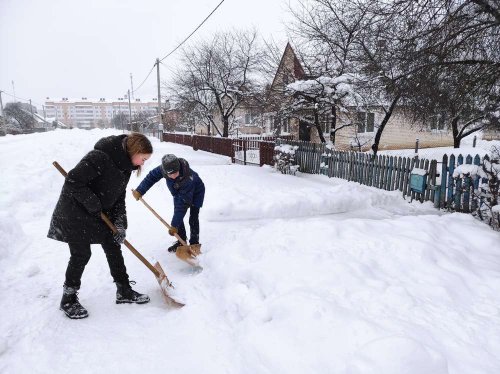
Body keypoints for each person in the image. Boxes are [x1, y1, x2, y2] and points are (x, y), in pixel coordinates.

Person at [48, 133, 153, 319]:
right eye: (143, 158)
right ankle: (68, 298)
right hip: (75, 211)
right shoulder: (100, 157)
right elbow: (73, 181)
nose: (142, 163)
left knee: (113, 245)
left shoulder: (126, 168)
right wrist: (93, 203)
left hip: (98, 211)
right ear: (134, 151)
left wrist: (120, 224)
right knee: (81, 254)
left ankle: (124, 291)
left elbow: (119, 198)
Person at [133, 154, 205, 253]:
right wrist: (140, 190)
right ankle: (181, 240)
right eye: (170, 174)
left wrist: (174, 225)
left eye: (175, 173)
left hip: (196, 191)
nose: (173, 176)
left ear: (179, 168)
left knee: (193, 217)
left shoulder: (188, 179)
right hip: (178, 192)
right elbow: (151, 177)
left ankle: (194, 244)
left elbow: (182, 206)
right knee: (178, 216)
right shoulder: (164, 169)